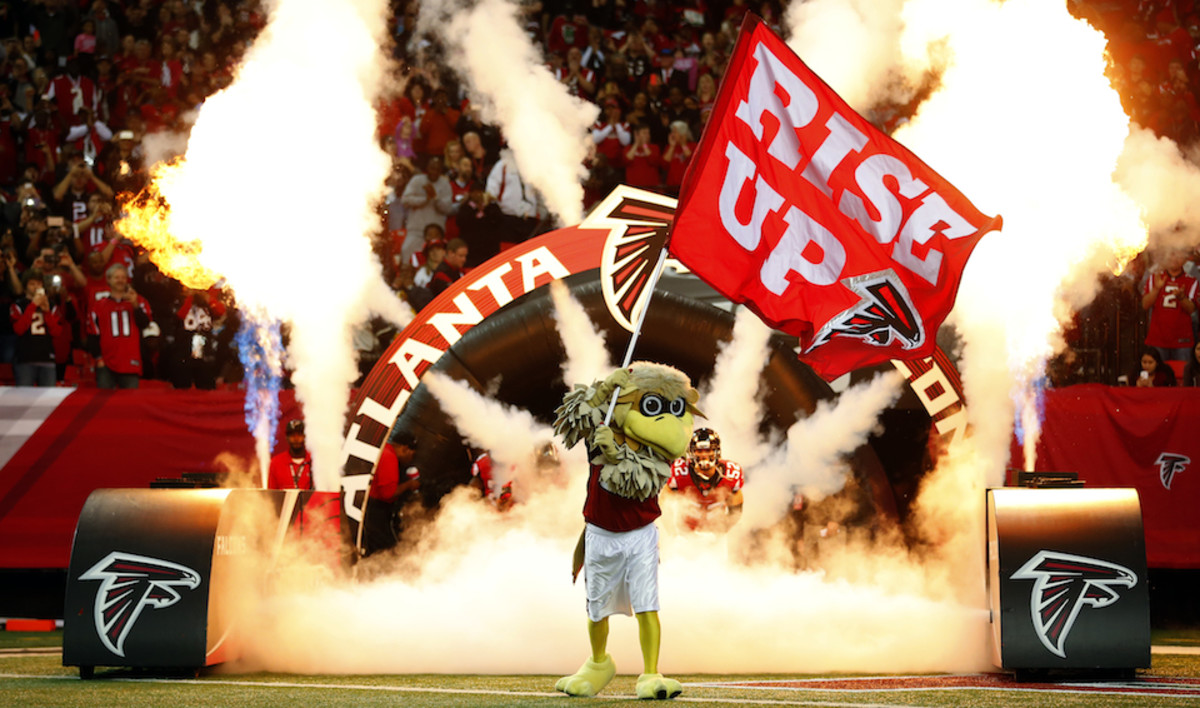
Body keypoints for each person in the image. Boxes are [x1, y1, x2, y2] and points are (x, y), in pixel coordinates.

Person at [665, 428, 745, 532]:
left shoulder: (730, 474)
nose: (703, 455)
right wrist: (672, 530)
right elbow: (664, 506)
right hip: (686, 532)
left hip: (716, 530)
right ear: (692, 452)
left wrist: (724, 529)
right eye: (699, 451)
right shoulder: (679, 471)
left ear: (716, 451)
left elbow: (735, 512)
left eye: (708, 450)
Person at [88, 263, 151, 389]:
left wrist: (135, 305)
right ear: (108, 280)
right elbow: (92, 334)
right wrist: (98, 358)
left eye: (123, 277)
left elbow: (145, 324)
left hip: (131, 362)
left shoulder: (139, 301)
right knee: (105, 400)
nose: (120, 280)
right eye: (116, 277)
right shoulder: (98, 306)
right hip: (106, 363)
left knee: (130, 400)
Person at [361, 430, 421, 554]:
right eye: (412, 455)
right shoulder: (389, 456)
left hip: (369, 506)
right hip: (374, 511)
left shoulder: (383, 450)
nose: (411, 459)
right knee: (386, 549)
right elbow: (388, 493)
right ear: (405, 449)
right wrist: (409, 484)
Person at [1141, 246, 1197, 362]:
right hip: (1157, 338)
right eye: (1172, 254)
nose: (1174, 258)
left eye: (1179, 255)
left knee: (1182, 372)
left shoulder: (1191, 281)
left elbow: (1192, 309)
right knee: (1158, 372)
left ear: (1185, 259)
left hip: (1182, 340)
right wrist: (1156, 289)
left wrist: (1182, 298)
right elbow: (1145, 305)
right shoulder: (1154, 278)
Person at [9, 272, 62, 386]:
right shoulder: (18, 305)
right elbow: (19, 330)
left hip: (47, 358)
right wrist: (33, 305)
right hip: (25, 359)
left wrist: (47, 312)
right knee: (24, 396)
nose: (36, 287)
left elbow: (57, 332)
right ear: (25, 287)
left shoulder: (51, 305)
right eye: (32, 284)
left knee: (48, 396)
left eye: (38, 284)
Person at [399, 156, 453, 266]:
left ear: (441, 171)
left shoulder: (445, 184)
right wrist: (425, 199)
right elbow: (405, 200)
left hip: (435, 234)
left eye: (437, 169)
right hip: (416, 230)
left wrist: (435, 198)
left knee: (435, 262)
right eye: (432, 168)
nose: (434, 172)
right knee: (406, 251)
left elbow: (448, 209)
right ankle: (407, 275)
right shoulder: (417, 180)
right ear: (427, 168)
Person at [267, 419, 313, 490]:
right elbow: (271, 494)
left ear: (305, 436)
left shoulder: (314, 461)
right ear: (287, 437)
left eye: (299, 434)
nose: (296, 438)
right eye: (292, 435)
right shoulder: (276, 463)